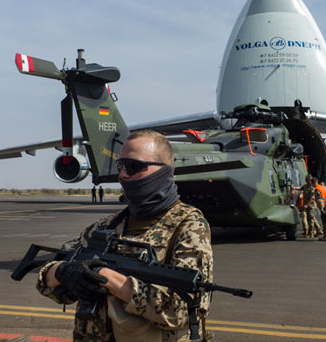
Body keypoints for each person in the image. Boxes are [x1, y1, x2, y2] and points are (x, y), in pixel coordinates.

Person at [36, 130, 213, 342]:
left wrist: (109, 279)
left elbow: (182, 310)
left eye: (133, 166)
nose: (124, 175)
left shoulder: (189, 226)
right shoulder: (105, 227)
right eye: (120, 166)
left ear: (163, 171)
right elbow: (47, 278)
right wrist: (61, 272)